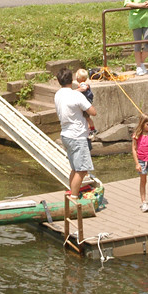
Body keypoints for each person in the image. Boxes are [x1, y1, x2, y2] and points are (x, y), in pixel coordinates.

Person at [54, 67, 97, 197]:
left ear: (58, 81)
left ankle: (71, 192)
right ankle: (73, 197)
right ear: (72, 79)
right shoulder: (76, 95)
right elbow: (93, 112)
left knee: (74, 168)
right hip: (77, 136)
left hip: (65, 134)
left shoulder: (58, 94)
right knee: (82, 169)